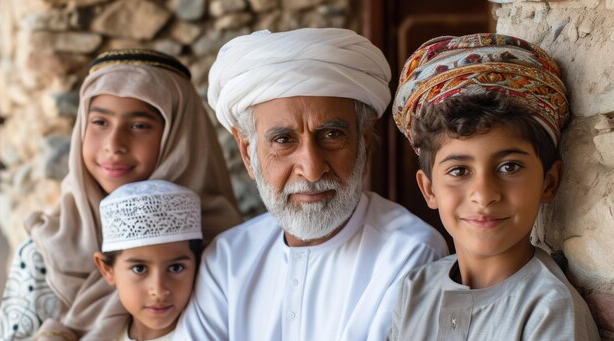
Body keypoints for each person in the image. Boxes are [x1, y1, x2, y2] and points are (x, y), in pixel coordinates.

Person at [174, 28, 449, 341]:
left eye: (331, 135)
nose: (312, 169)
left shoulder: (408, 254)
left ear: (365, 145)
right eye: (283, 140)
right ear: (247, 154)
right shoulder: (226, 261)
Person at [0, 49, 242, 341]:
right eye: (99, 122)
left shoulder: (224, 253)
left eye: (139, 125)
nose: (114, 145)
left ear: (179, 138)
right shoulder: (43, 253)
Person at [388, 33, 600, 340]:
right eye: (459, 170)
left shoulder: (548, 310)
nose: (484, 195)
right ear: (429, 189)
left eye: (509, 167)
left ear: (549, 182)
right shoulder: (416, 289)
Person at [93, 179, 202, 341]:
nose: (158, 291)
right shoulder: (97, 334)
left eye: (176, 268)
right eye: (139, 269)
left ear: (198, 263)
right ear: (107, 269)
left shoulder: (209, 334)